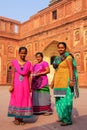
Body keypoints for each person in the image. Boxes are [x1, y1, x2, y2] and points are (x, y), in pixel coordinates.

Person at [50, 42, 79, 126]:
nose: (60, 49)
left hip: (66, 82)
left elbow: (71, 69)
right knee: (59, 100)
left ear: (65, 48)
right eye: (59, 47)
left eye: (62, 47)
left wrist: (71, 80)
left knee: (66, 101)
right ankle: (62, 117)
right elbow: (56, 71)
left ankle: (67, 120)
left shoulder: (68, 57)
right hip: (58, 82)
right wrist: (52, 82)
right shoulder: (57, 59)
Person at [8, 46, 33, 125]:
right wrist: (12, 85)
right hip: (17, 84)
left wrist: (30, 86)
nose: (23, 55)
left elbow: (29, 75)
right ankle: (16, 118)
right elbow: (12, 74)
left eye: (25, 53)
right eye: (21, 53)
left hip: (25, 84)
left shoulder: (28, 64)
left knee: (24, 100)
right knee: (17, 99)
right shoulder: (14, 62)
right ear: (19, 53)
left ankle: (21, 118)